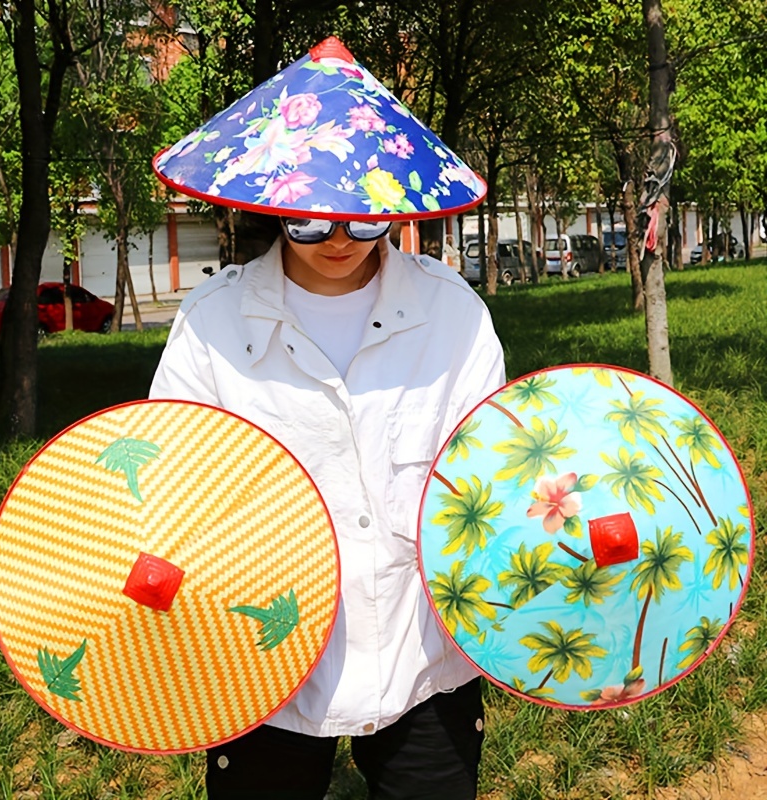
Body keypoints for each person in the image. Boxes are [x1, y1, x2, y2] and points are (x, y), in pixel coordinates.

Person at [150, 37, 505, 800]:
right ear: (273, 203)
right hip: (258, 665)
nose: (338, 240)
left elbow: (498, 474)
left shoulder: (454, 314)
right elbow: (165, 480)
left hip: (424, 655)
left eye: (364, 221)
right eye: (310, 222)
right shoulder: (212, 321)